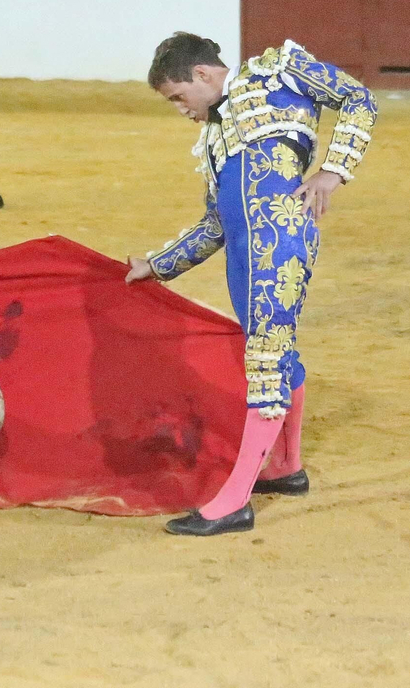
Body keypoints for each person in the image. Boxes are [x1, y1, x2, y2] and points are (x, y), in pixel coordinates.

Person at [126, 33, 376, 536]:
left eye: (178, 97)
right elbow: (215, 225)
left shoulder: (277, 70)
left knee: (264, 363)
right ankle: (285, 468)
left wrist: (333, 171)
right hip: (244, 253)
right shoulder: (215, 141)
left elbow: (357, 98)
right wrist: (157, 265)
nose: (180, 110)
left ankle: (234, 502)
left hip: (280, 241)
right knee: (276, 357)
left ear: (202, 74)